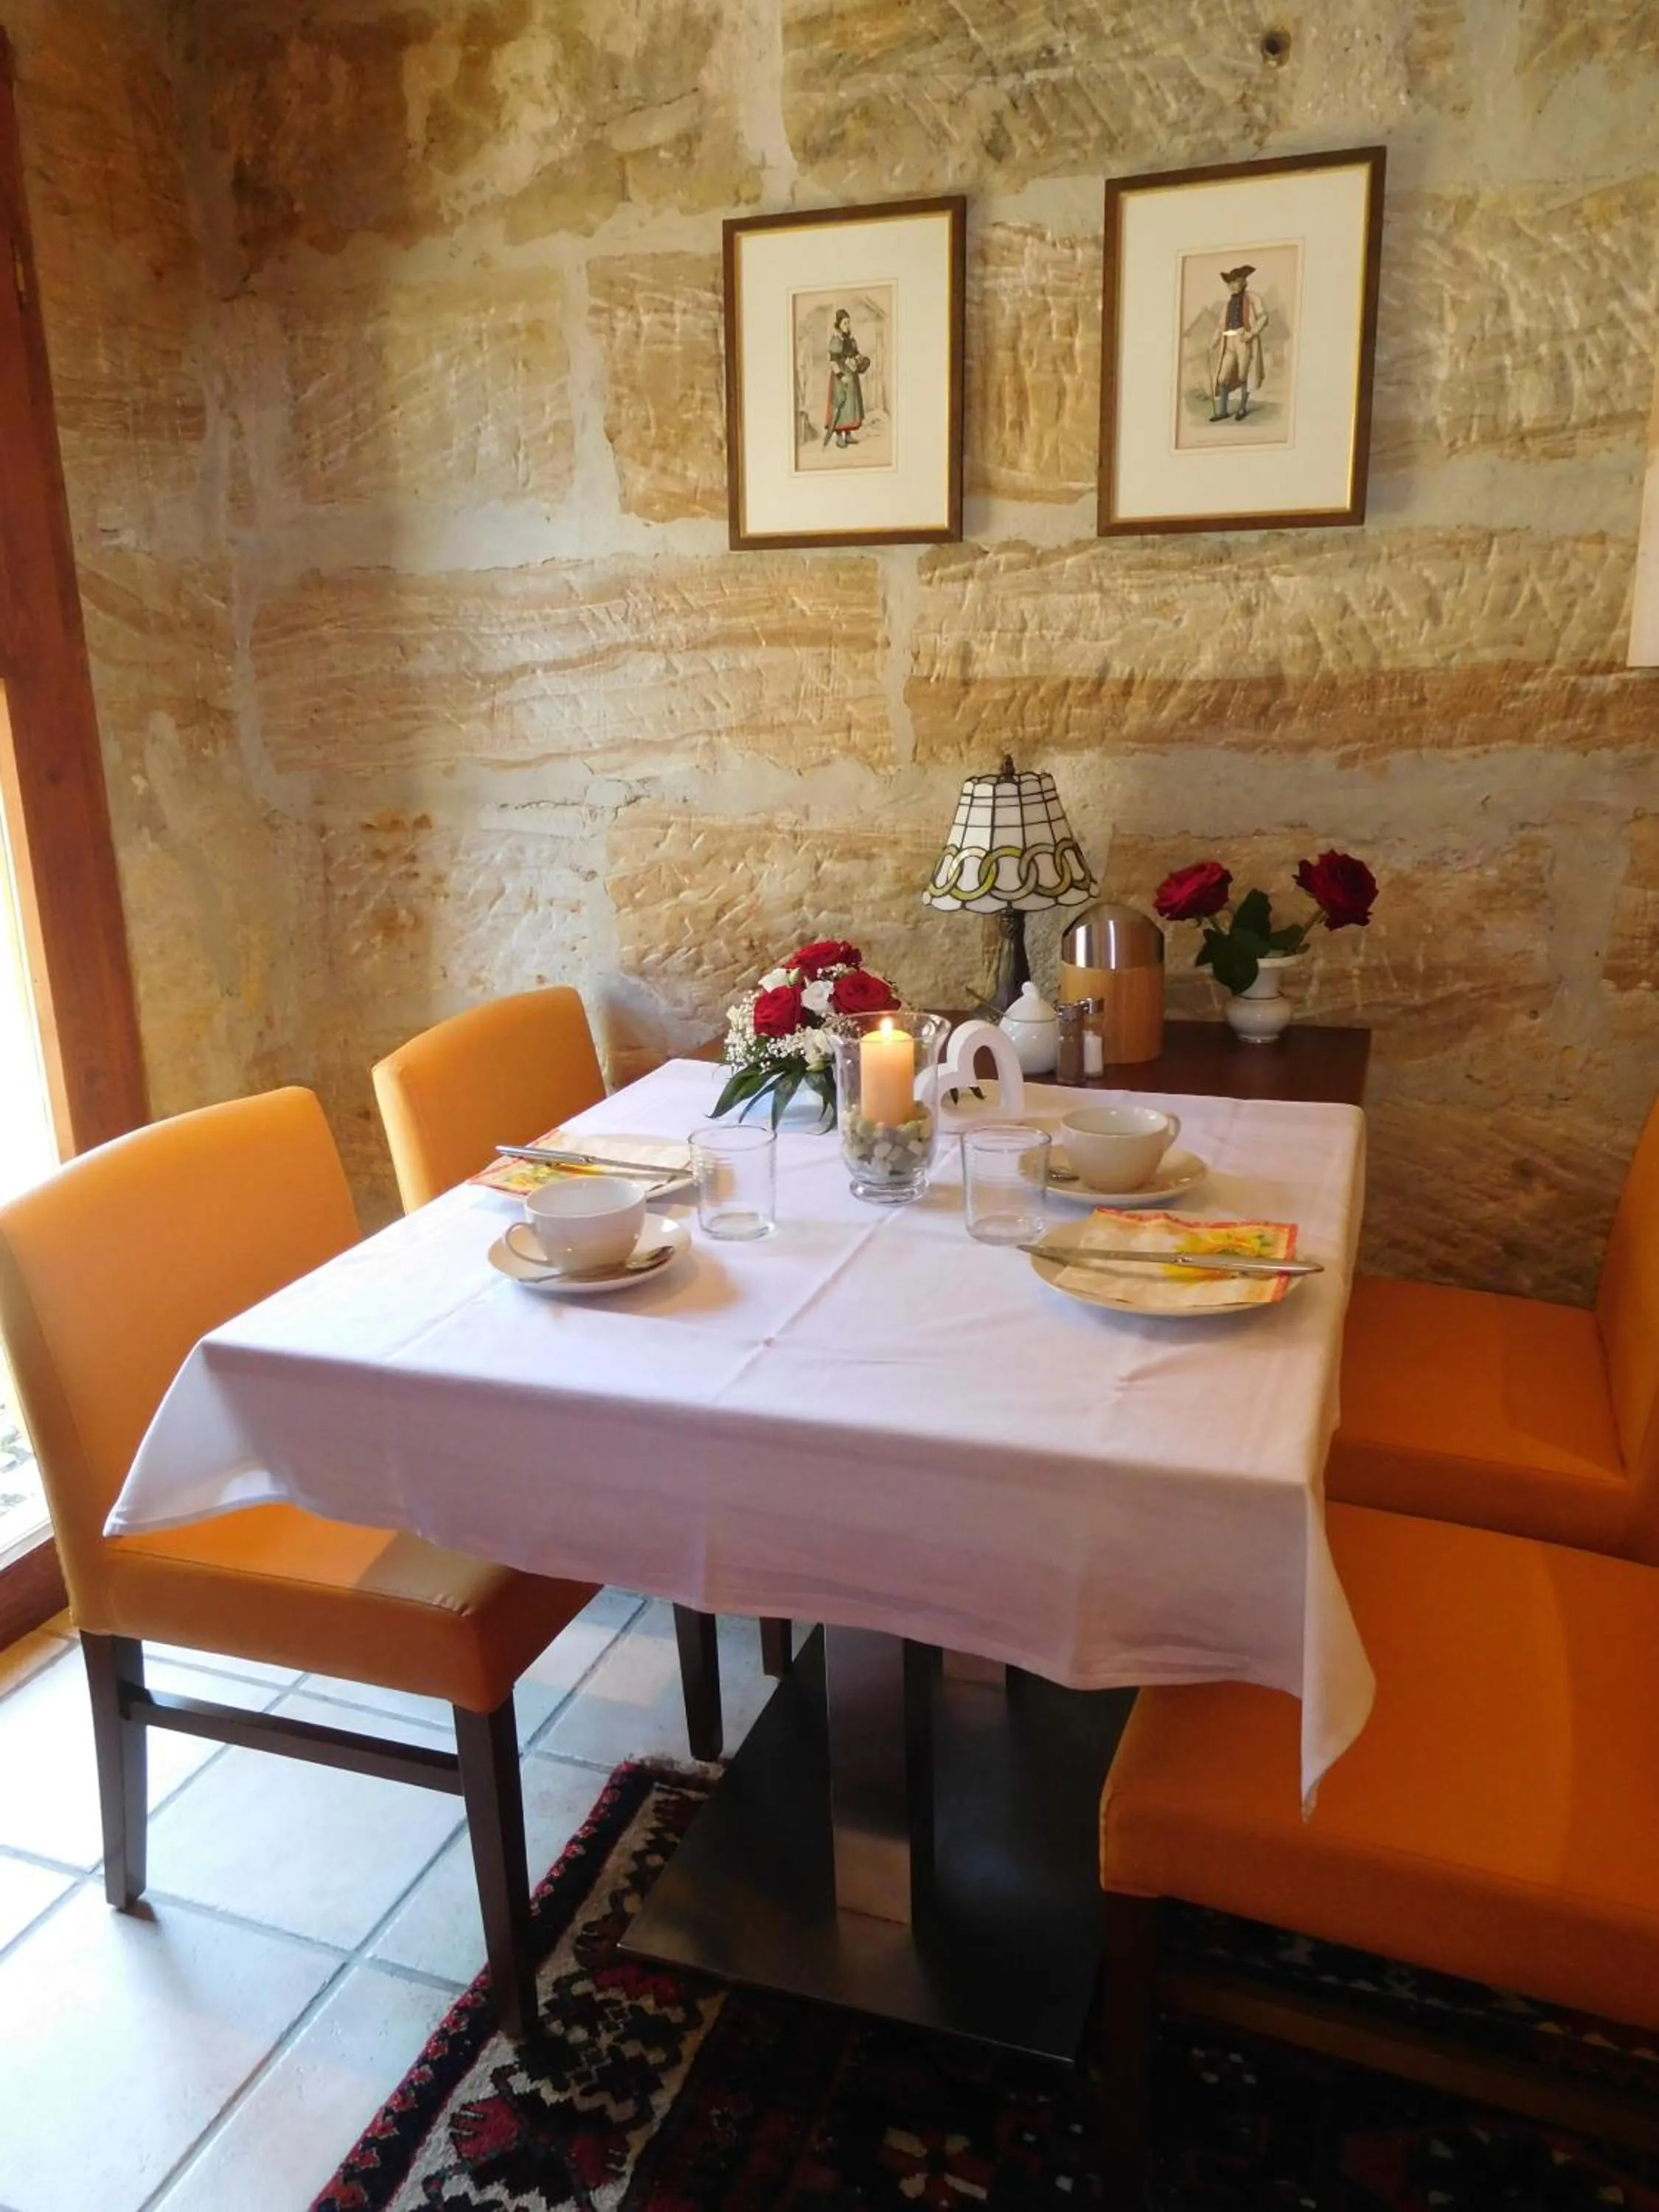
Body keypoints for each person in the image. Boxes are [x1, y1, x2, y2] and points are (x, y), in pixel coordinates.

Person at [1210, 265, 1267, 422]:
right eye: (1229, 283)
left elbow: (1263, 318)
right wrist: (1213, 343)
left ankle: (1242, 408)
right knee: (1223, 377)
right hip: (1229, 341)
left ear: (1242, 282)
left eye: (1234, 282)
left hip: (1244, 339)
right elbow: (1221, 325)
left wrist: (1251, 333)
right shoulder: (1228, 304)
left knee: (1244, 375)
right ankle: (1222, 411)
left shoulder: (1254, 298)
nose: (1231, 286)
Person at [823, 309, 869, 449]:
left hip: (852, 377)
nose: (848, 325)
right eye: (845, 323)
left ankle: (848, 435)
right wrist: (841, 376)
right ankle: (839, 437)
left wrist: (859, 359)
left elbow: (855, 353)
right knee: (840, 406)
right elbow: (833, 361)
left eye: (849, 323)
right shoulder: (836, 340)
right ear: (839, 324)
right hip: (840, 379)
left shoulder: (851, 339)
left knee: (851, 406)